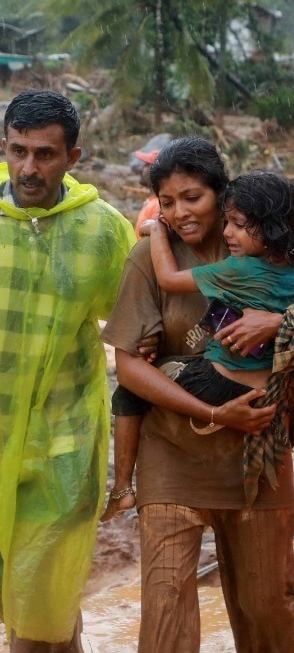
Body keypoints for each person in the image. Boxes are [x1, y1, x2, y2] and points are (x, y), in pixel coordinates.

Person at [101, 137, 294, 651]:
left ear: (222, 192)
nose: (179, 213)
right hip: (173, 453)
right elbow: (128, 368)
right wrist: (214, 410)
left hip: (259, 455)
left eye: (192, 197)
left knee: (270, 613)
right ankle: (125, 485)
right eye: (167, 202)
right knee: (166, 616)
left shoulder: (276, 255)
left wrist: (278, 322)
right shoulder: (152, 256)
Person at [0, 89, 136, 650]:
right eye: (17, 151)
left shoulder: (101, 231)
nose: (29, 167)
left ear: (73, 158)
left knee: (44, 602)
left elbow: (143, 328)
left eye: (45, 154)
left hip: (63, 441)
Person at [112, 172, 294, 512]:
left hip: (219, 384)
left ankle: (122, 487)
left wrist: (156, 231)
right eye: (227, 223)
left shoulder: (237, 269)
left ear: (271, 228)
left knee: (135, 386)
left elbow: (167, 278)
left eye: (239, 225)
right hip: (275, 388)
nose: (227, 233)